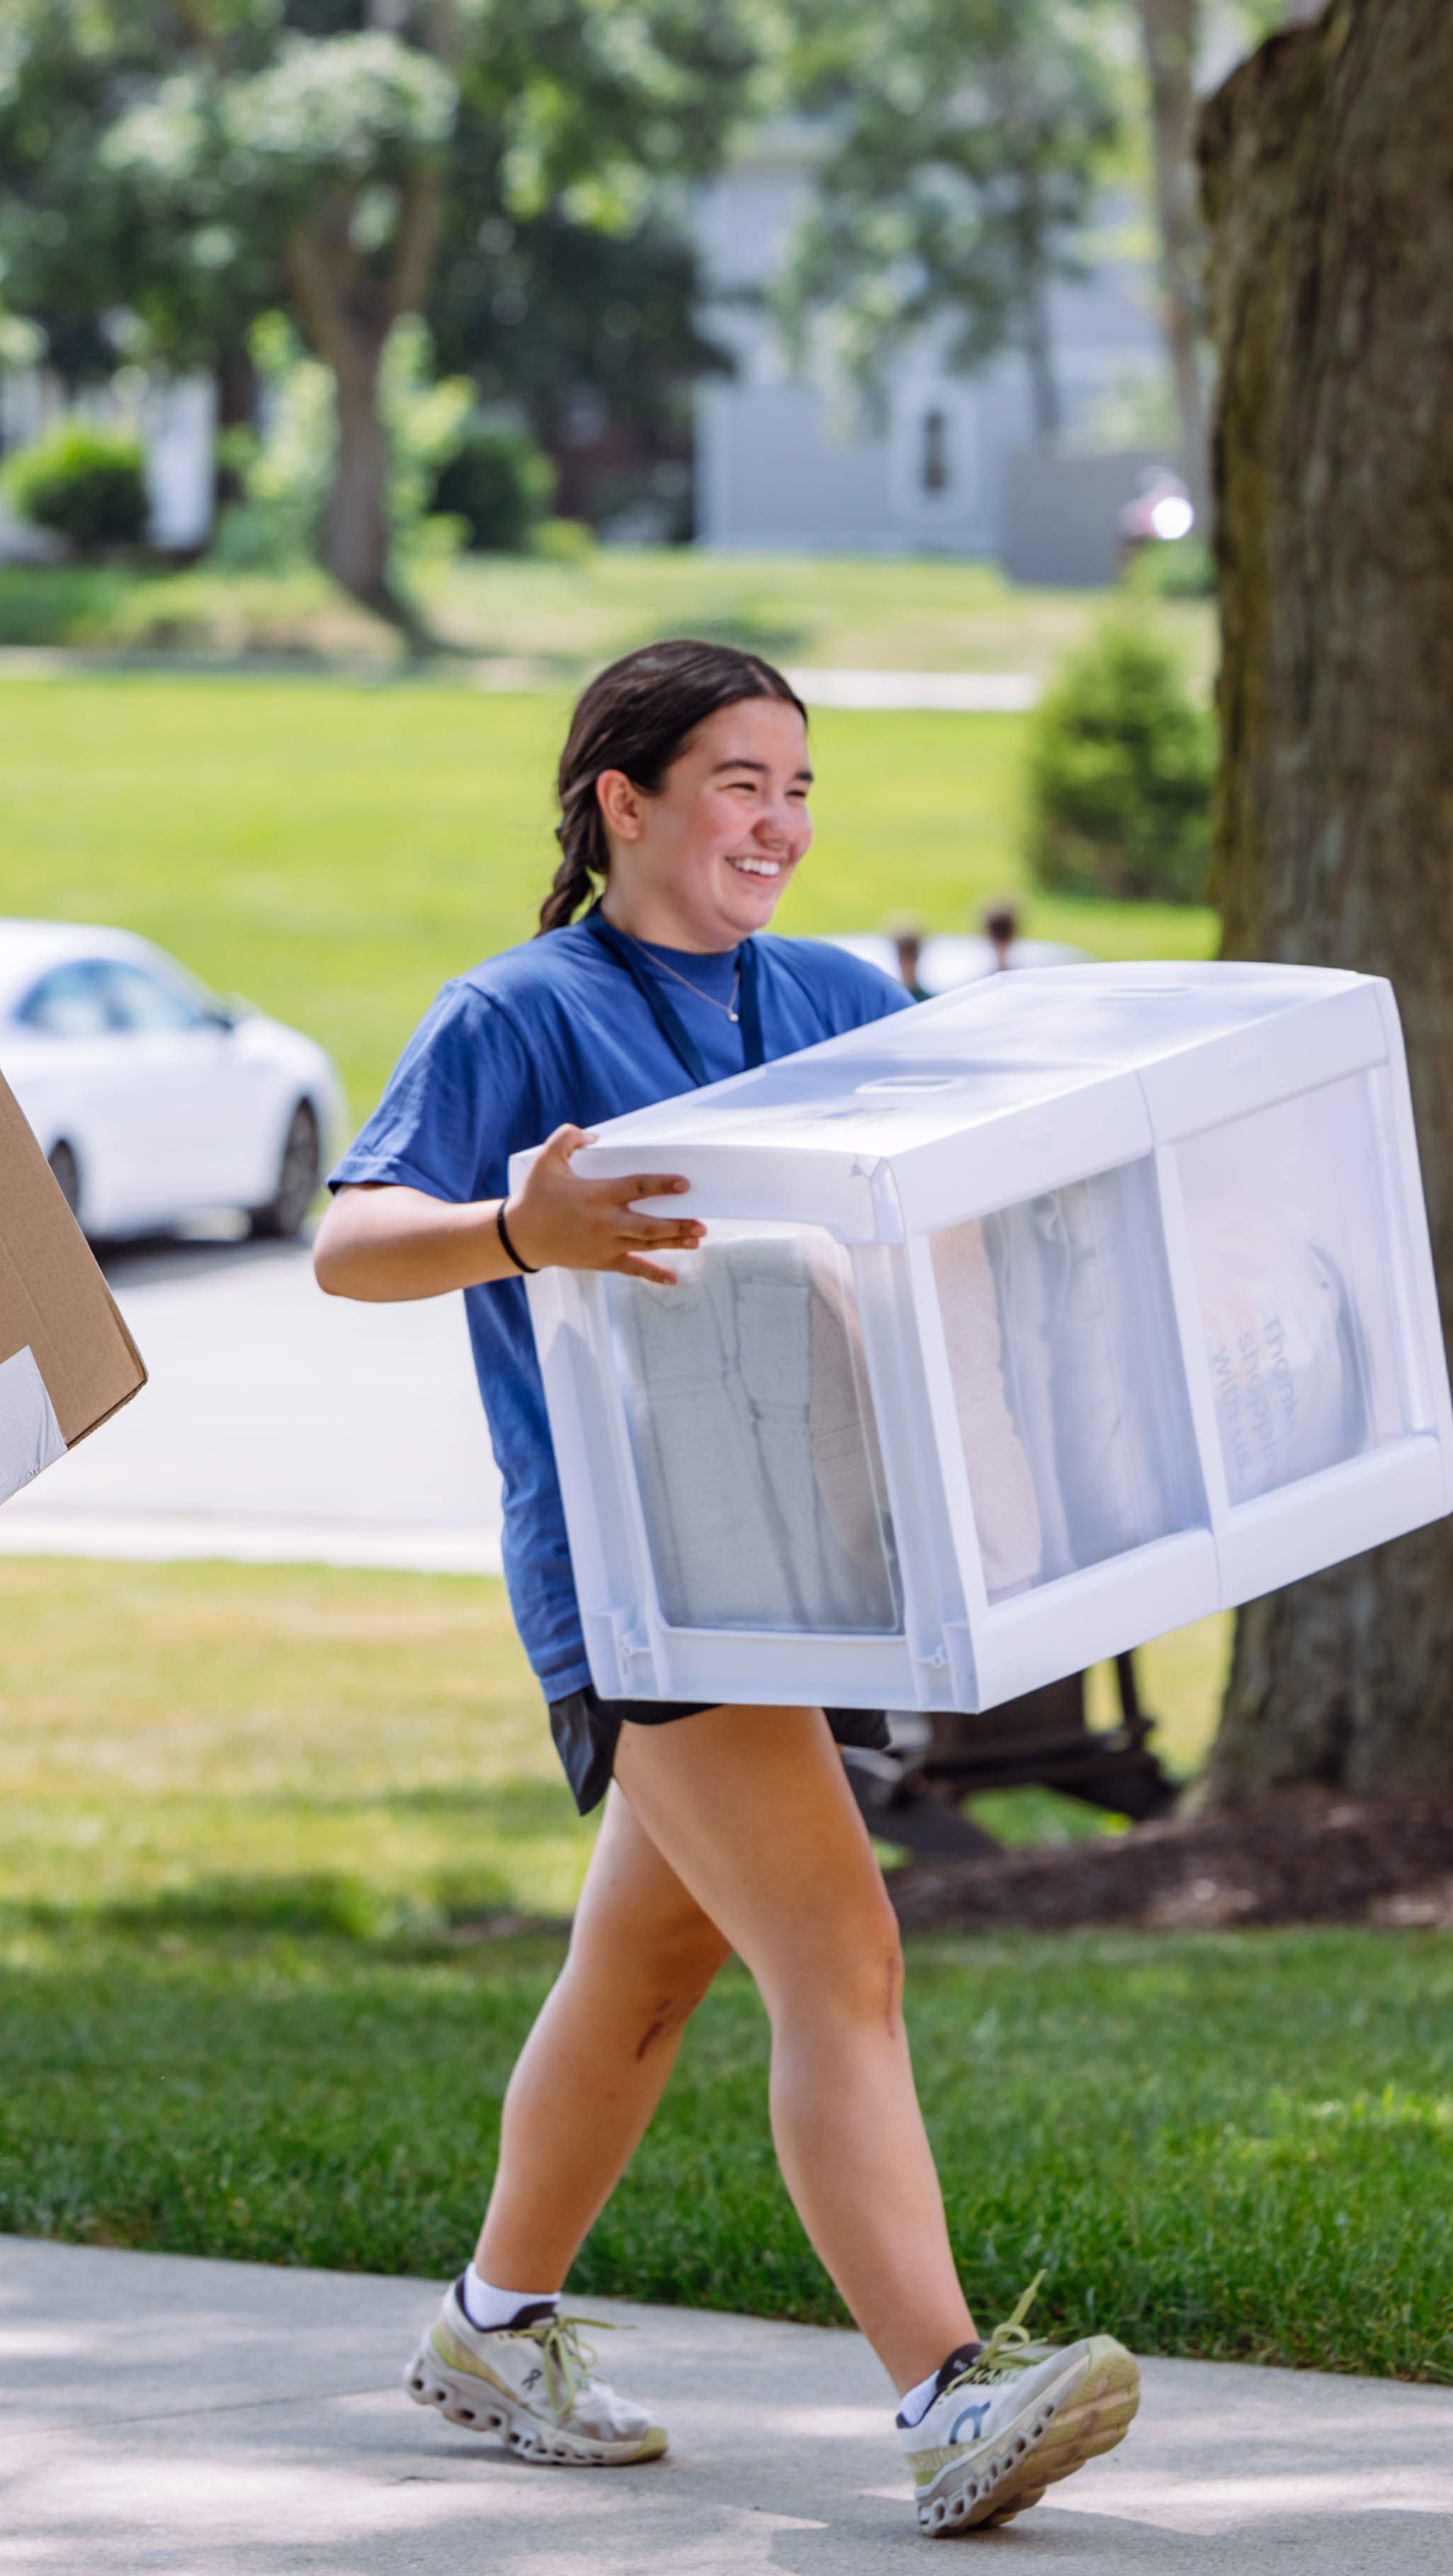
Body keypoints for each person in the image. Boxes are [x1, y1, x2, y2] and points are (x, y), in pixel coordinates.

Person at [313, 640, 1145, 2536]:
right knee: (841, 1954)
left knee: (641, 1975)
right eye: (740, 784)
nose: (777, 824)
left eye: (798, 790)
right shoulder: (517, 1015)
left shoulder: (841, 995)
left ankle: (489, 2328)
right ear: (628, 801)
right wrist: (520, 1225)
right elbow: (350, 1246)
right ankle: (946, 2396)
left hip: (808, 1572)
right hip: (636, 1591)